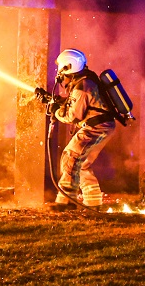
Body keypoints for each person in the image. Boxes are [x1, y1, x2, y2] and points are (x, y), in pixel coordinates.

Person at [46, 48, 117, 210]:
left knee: (71, 157)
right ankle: (93, 203)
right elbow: (78, 103)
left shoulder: (82, 85)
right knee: (82, 163)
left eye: (62, 68)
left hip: (97, 126)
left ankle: (66, 201)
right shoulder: (84, 81)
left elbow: (73, 115)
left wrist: (56, 111)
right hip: (102, 125)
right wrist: (56, 100)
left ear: (68, 67)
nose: (60, 73)